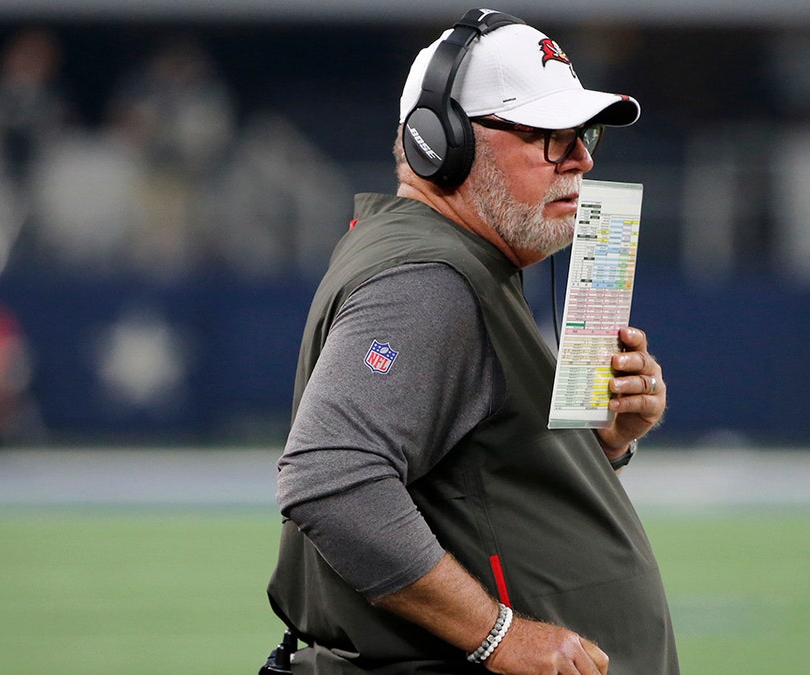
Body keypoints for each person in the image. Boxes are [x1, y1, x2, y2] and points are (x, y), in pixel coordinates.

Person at [264, 9, 678, 675]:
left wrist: (604, 442)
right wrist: (502, 637)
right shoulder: (427, 278)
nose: (582, 157)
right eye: (550, 135)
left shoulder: (459, 263)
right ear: (442, 142)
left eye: (585, 132)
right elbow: (330, 476)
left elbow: (477, 486)